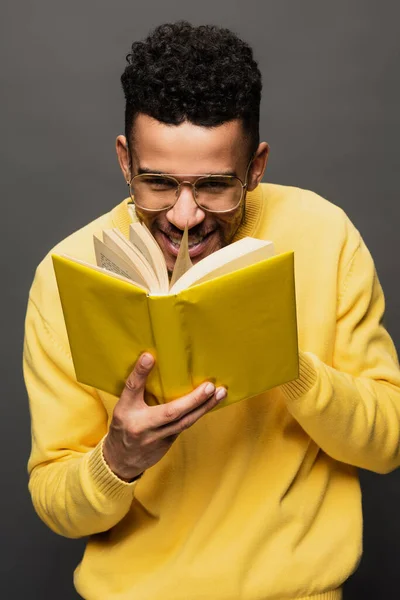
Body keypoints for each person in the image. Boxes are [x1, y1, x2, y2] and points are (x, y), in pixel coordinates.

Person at [23, 21, 400, 600]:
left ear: (255, 167)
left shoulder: (325, 233)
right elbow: (58, 506)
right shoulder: (64, 274)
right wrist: (117, 460)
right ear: (126, 161)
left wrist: (287, 365)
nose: (183, 215)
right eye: (157, 183)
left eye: (215, 186)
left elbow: (387, 443)